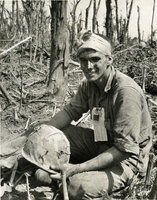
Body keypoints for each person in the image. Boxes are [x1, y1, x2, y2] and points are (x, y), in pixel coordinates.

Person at [30, 30, 152, 200]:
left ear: (109, 59)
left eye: (95, 59)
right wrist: (42, 133)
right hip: (102, 142)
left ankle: (68, 176)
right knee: (53, 133)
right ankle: (61, 173)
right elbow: (70, 111)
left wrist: (78, 168)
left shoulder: (126, 92)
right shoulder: (89, 84)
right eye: (83, 60)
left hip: (128, 160)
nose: (88, 66)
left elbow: (125, 150)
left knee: (75, 187)